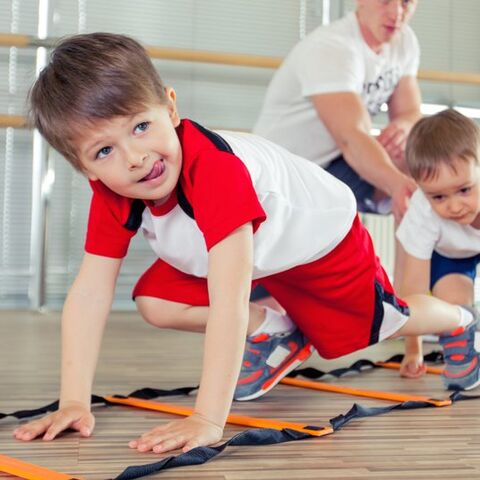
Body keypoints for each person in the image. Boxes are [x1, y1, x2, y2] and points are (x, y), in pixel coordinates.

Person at [13, 33, 479, 456]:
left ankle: (459, 318)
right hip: (252, 253)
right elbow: (92, 291)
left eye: (140, 127)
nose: (135, 159)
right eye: (104, 151)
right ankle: (277, 332)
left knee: (379, 325)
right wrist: (73, 399)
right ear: (87, 170)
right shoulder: (113, 190)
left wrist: (207, 418)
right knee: (155, 300)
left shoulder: (214, 172)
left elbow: (228, 300)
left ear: (171, 109)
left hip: (318, 241)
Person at [254, 0, 421, 223]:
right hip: (280, 175)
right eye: (385, 1)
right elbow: (351, 138)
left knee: (425, 159)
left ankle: (419, 256)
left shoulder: (404, 41)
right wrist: (397, 184)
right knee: (409, 185)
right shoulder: (332, 46)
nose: (396, 13)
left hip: (333, 165)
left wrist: (404, 127)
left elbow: (409, 112)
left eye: (406, 2)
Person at [396, 109, 480, 381]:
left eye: (465, 190)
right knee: (453, 304)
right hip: (450, 255)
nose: (454, 206)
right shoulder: (422, 213)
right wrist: (413, 350)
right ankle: (461, 346)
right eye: (439, 197)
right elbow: (413, 290)